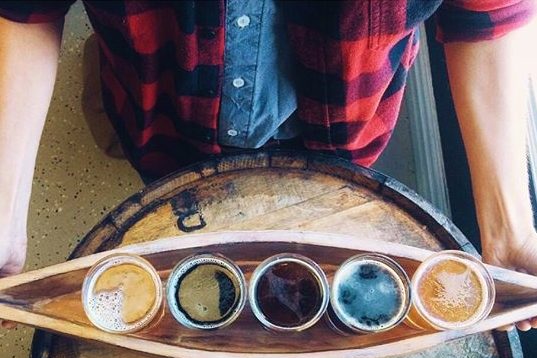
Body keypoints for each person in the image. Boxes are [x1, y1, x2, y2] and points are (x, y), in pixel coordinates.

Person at [0, 0, 536, 331]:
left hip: (345, 127)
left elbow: (486, 15)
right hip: (159, 115)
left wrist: (511, 230)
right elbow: (26, 10)